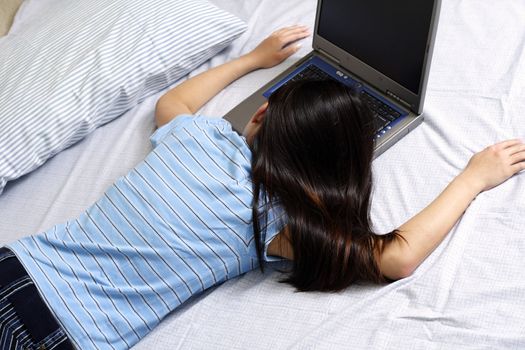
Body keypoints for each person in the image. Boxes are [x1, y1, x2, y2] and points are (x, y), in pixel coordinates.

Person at [1, 25, 525, 350]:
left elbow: (172, 104)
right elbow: (397, 259)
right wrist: (473, 177)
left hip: (16, 266)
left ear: (262, 113)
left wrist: (252, 60)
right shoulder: (273, 225)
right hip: (61, 333)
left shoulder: (197, 138)